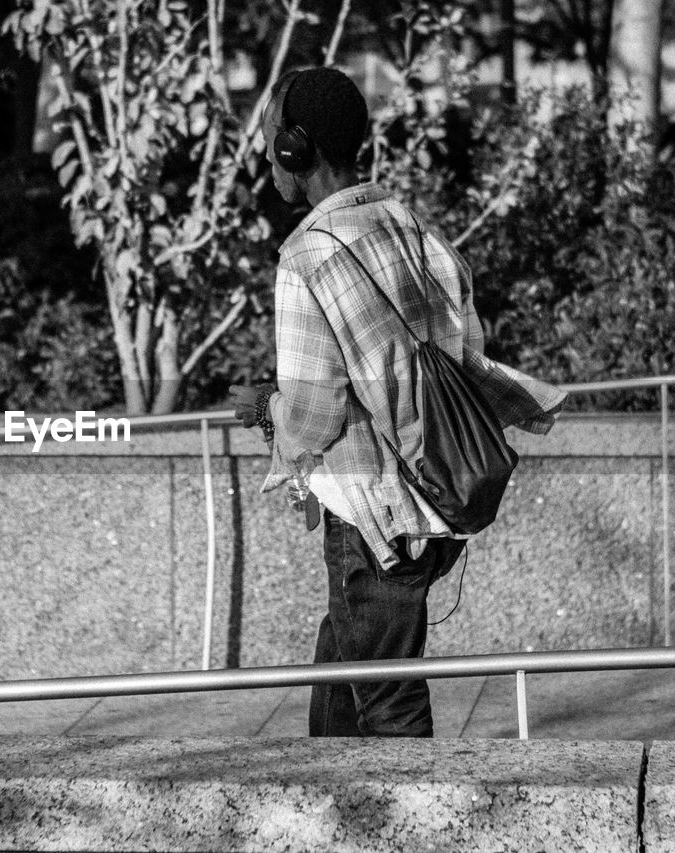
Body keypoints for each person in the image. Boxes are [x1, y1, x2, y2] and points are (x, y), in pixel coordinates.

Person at [229, 67, 566, 738]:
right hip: (436, 497)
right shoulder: (411, 226)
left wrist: (264, 407)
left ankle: (419, 823)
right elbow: (464, 347)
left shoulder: (306, 257)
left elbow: (317, 413)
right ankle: (317, 803)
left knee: (387, 699)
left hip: (370, 515)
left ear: (298, 149)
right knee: (343, 657)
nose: (265, 154)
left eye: (270, 139)